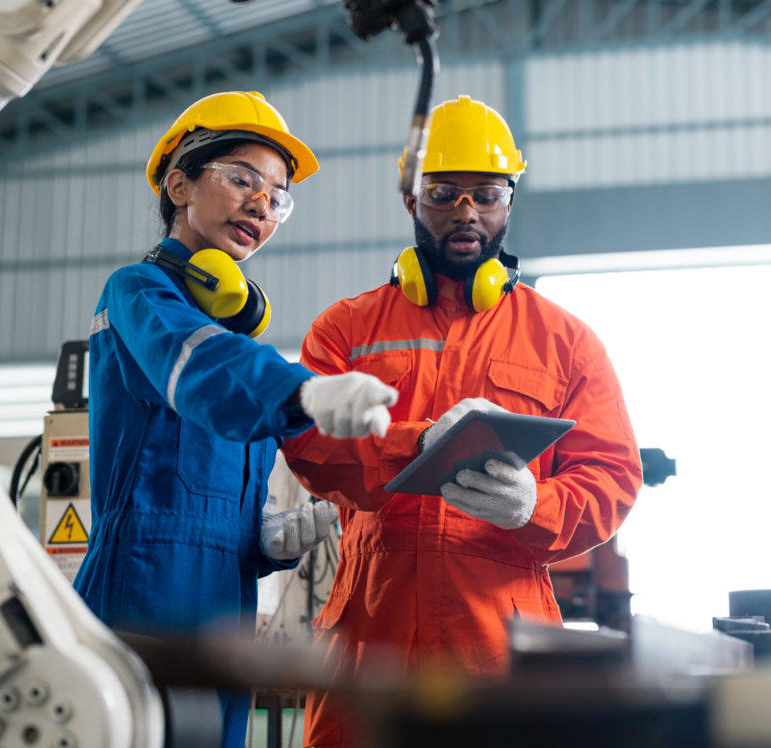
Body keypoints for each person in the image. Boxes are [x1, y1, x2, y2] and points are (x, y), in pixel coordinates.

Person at [281, 95, 644, 747]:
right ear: (411, 202)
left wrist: (536, 505)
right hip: (373, 635)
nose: (466, 211)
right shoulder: (347, 330)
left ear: (510, 202)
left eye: (485, 194)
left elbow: (613, 476)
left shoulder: (565, 341)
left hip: (502, 647)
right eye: (444, 194)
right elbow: (307, 444)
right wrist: (414, 449)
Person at [73, 92, 398, 748]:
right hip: (142, 586)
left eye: (277, 196)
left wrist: (259, 543)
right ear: (179, 184)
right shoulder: (137, 294)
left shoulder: (234, 343)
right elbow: (196, 374)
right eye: (242, 179)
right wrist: (306, 391)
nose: (261, 205)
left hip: (225, 595)